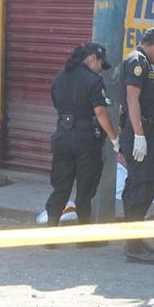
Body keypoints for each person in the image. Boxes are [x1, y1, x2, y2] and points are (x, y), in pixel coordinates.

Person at [45, 42, 119, 248]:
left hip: (62, 135)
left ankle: (51, 233)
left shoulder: (59, 78)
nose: (100, 69)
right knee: (85, 189)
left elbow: (57, 105)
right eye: (100, 64)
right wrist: (114, 138)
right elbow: (101, 112)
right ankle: (84, 236)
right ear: (93, 58)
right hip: (86, 138)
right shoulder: (94, 81)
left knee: (60, 186)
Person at [120, 27, 154, 264]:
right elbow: (132, 99)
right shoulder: (137, 62)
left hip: (141, 131)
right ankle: (133, 245)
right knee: (142, 186)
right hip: (138, 132)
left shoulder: (142, 63)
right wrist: (139, 135)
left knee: (137, 185)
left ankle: (135, 239)